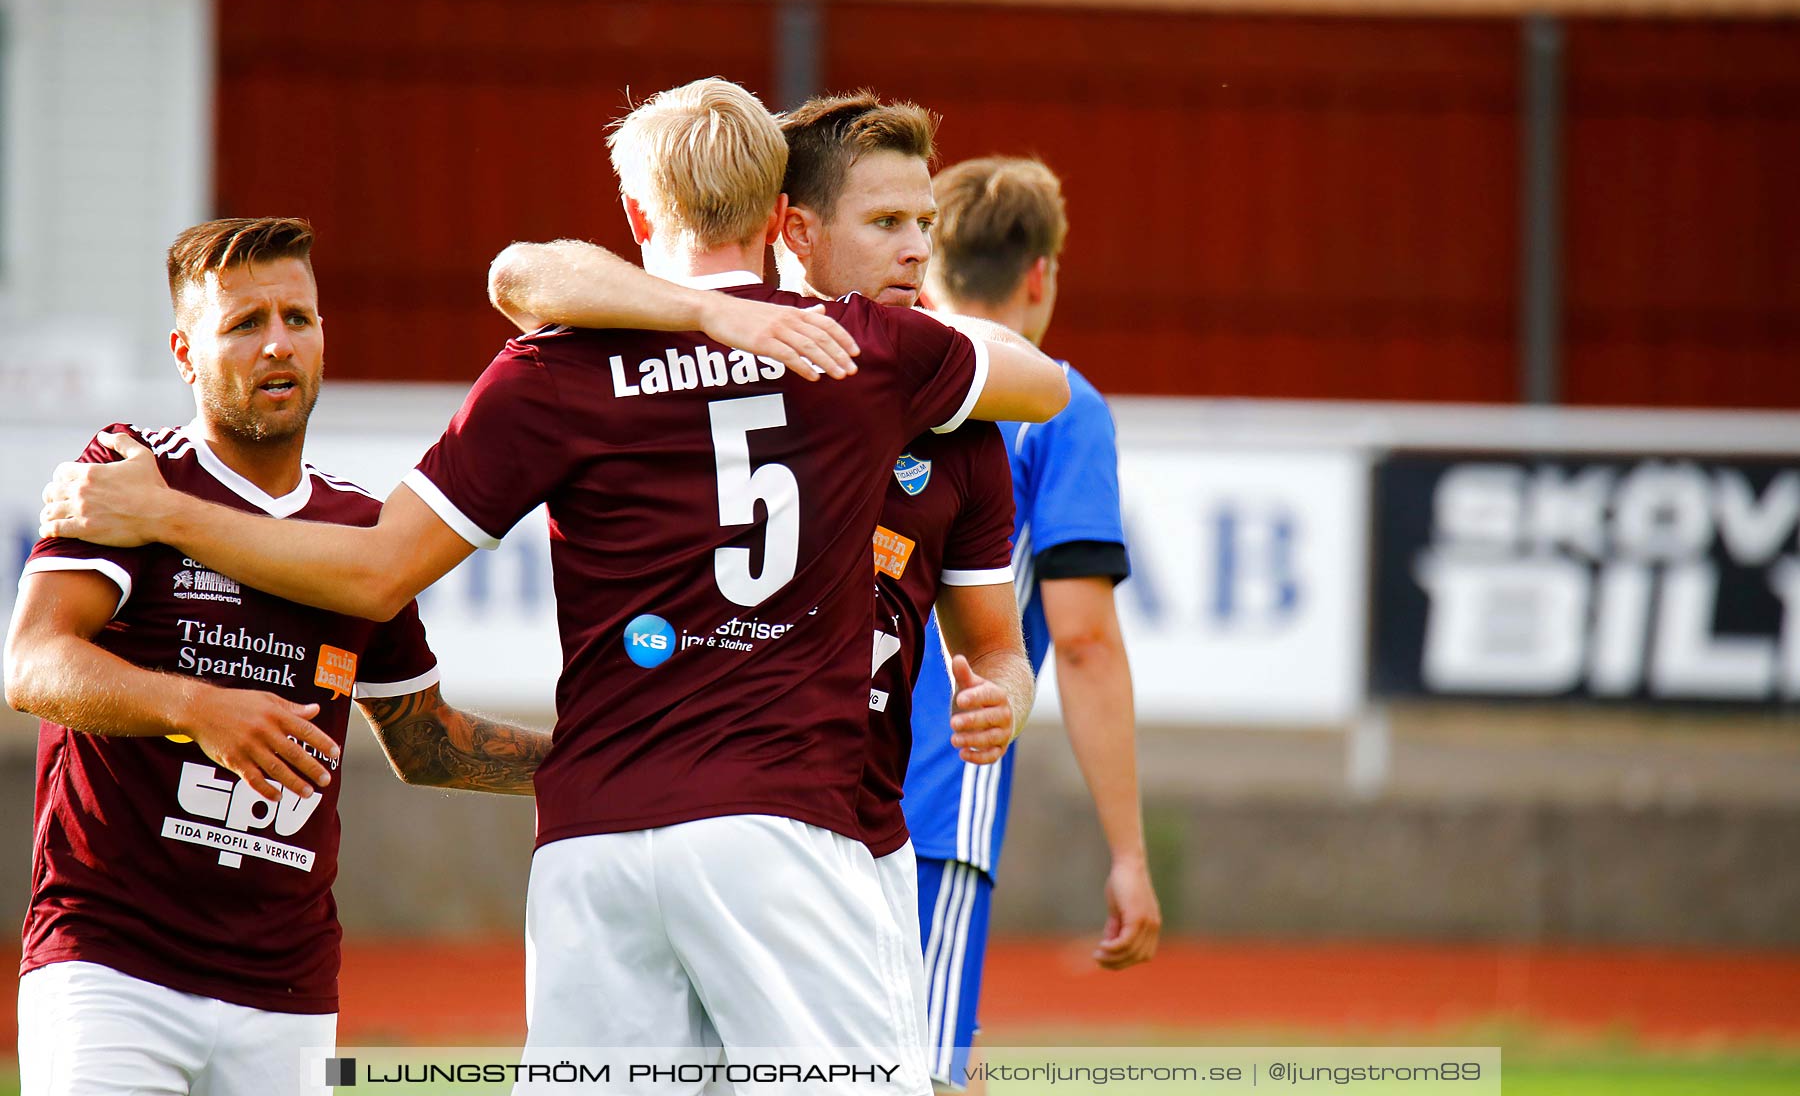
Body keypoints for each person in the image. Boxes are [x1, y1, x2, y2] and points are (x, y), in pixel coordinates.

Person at [39, 80, 1069, 1092]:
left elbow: (378, 566)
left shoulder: (553, 367)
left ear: (632, 214)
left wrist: (162, 514)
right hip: (783, 825)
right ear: (775, 217)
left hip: (596, 846)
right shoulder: (869, 351)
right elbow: (1047, 384)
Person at [493, 92, 1038, 1073]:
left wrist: (1006, 693)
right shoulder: (684, 361)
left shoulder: (946, 412)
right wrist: (700, 308)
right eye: (886, 224)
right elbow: (523, 274)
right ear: (791, 226)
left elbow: (997, 638)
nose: (919, 250)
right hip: (730, 823)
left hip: (859, 835)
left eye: (927, 225)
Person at [4, 217, 552, 1096]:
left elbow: (427, 742)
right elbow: (30, 663)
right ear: (186, 353)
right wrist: (197, 707)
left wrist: (607, 763)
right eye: (244, 324)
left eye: (298, 319)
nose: (277, 345)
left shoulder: (360, 536)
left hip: (288, 994)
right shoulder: (131, 476)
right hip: (111, 967)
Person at [902, 157, 1162, 1091]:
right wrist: (1129, 855)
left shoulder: (862, 370)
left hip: (792, 783)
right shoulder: (1058, 406)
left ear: (925, 264)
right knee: (927, 1071)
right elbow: (1084, 641)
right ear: (1041, 274)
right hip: (937, 798)